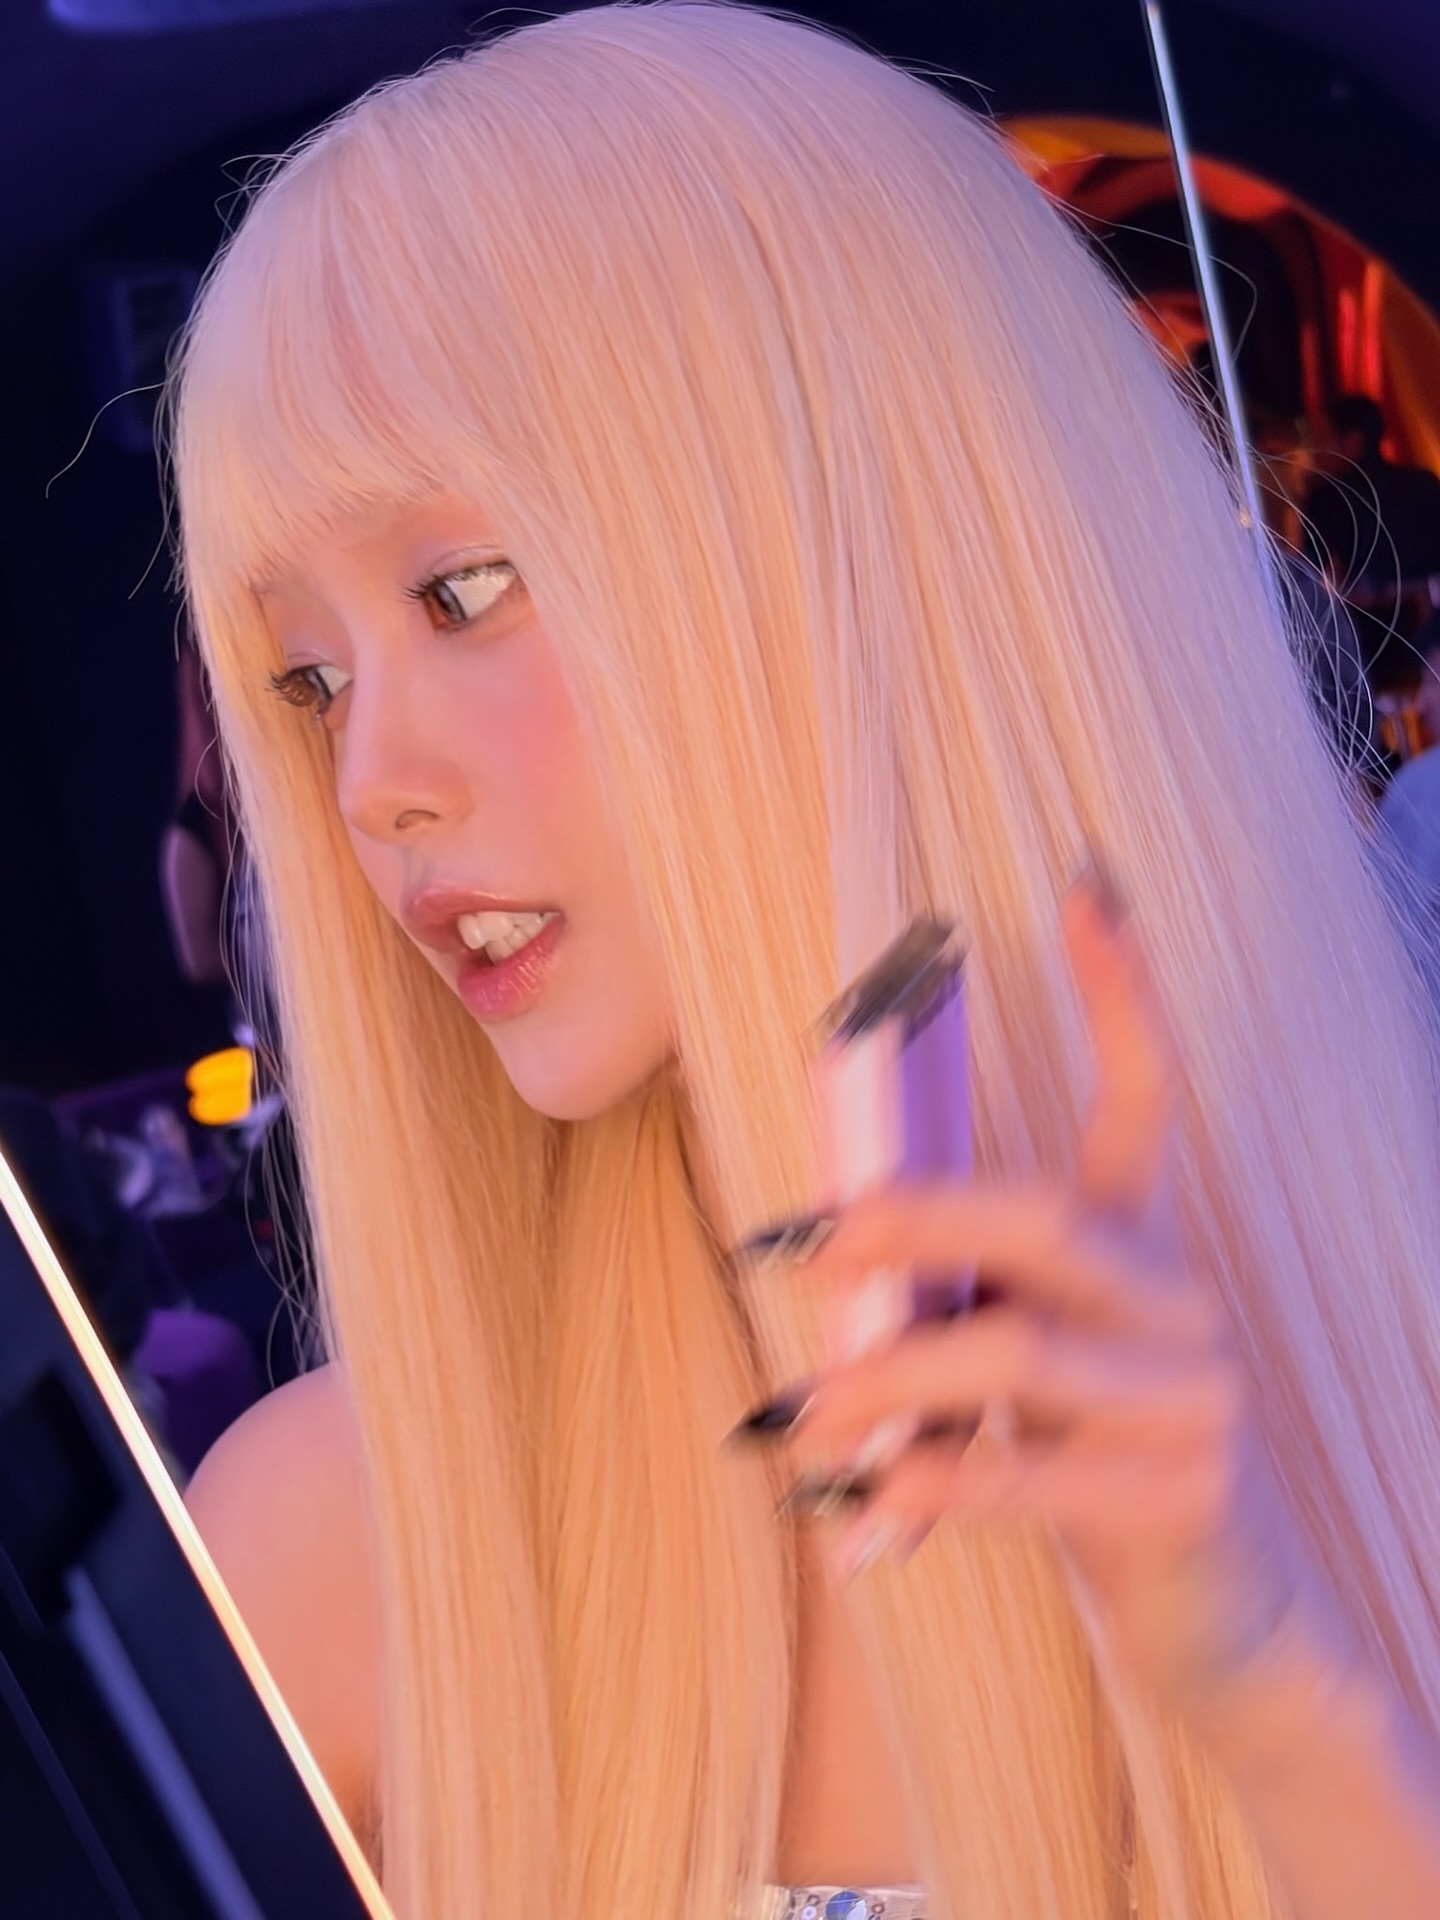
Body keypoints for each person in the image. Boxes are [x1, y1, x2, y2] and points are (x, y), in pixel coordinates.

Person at [170, 9, 1440, 1918]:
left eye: (463, 590)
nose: (372, 784)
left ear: (849, 540)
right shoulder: (332, 1560)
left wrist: (1283, 1705)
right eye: (308, 680)